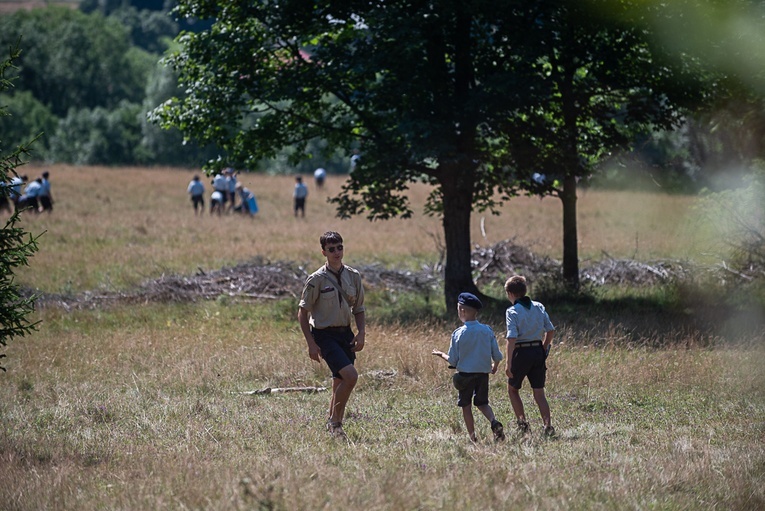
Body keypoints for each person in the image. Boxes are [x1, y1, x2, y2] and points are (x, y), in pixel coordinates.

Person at [298, 231, 366, 440]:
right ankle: (336, 423)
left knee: (339, 381)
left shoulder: (353, 276)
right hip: (324, 335)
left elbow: (359, 308)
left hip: (345, 334)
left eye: (339, 247)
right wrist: (311, 343)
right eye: (331, 249)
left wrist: (361, 333)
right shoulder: (316, 279)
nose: (337, 252)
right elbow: (303, 311)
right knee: (350, 376)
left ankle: (332, 424)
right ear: (323, 252)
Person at [432, 292, 505, 443]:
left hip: (465, 376)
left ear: (462, 311)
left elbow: (453, 360)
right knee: (482, 402)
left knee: (466, 406)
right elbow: (497, 355)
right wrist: (495, 366)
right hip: (483, 374)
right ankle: (493, 421)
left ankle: (473, 438)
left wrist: (440, 354)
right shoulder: (487, 330)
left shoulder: (458, 334)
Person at [503, 275, 556, 437]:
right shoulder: (538, 306)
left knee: (513, 389)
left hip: (521, 352)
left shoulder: (512, 311)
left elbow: (511, 338)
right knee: (539, 392)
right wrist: (544, 348)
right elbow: (550, 330)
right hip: (537, 351)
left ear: (510, 293)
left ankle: (523, 425)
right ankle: (548, 426)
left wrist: (508, 363)